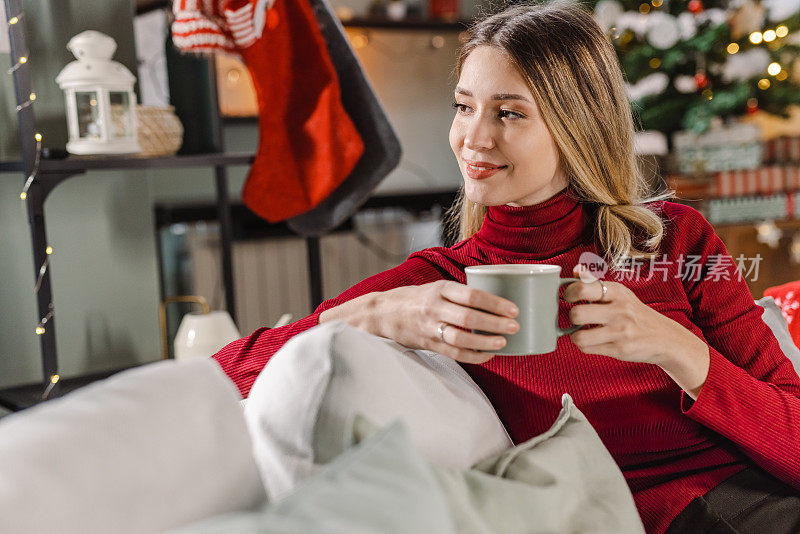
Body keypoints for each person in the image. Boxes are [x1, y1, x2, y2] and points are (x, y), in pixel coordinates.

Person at [213, 1, 800, 532]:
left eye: (510, 113)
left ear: (577, 128)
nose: (473, 137)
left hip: (757, 498)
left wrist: (674, 347)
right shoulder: (442, 280)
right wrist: (373, 312)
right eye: (464, 106)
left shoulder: (674, 241)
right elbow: (227, 371)